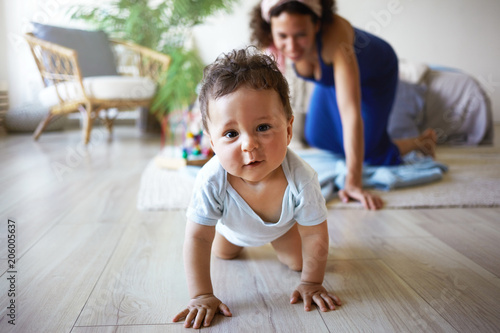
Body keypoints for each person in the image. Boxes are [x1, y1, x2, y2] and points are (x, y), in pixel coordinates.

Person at [172, 47, 342, 329]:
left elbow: (315, 234)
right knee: (223, 253)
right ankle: (232, 246)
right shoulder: (211, 179)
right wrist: (201, 295)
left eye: (263, 127)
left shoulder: (303, 178)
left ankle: (288, 255)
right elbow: (199, 238)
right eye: (231, 134)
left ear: (288, 130)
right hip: (230, 229)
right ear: (213, 143)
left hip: (283, 228)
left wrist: (312, 283)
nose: (248, 144)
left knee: (300, 263)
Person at [250, 0, 437, 210]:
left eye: (301, 35)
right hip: (331, 78)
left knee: (368, 154)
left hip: (375, 75)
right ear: (271, 29)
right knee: (317, 136)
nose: (291, 46)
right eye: (283, 36)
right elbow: (264, 100)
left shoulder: (336, 40)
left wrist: (353, 182)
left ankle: (422, 142)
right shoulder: (272, 48)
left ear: (317, 25)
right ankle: (374, 146)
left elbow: (350, 113)